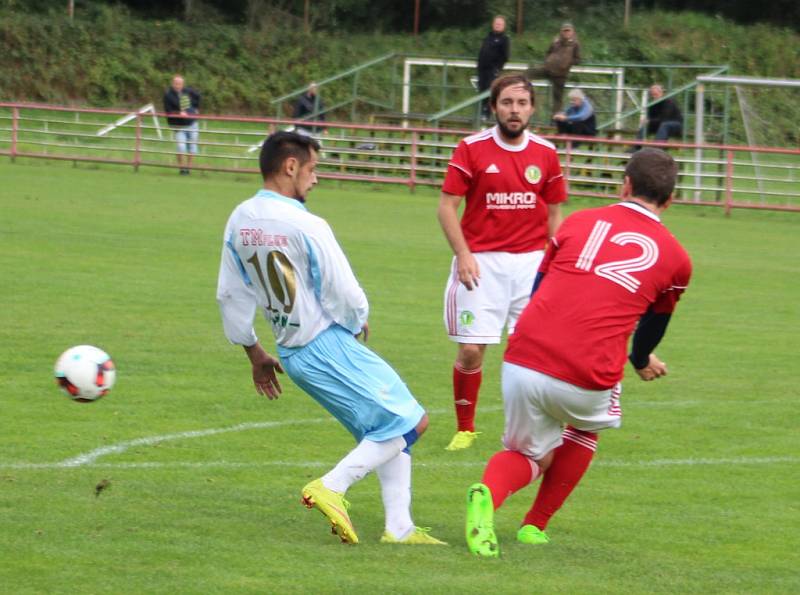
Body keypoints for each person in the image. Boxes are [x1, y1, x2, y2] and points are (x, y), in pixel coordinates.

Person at [216, 131, 445, 547]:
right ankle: (331, 486)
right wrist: (359, 320)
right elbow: (340, 288)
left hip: (291, 351)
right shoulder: (306, 223)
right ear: (291, 167)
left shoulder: (239, 219)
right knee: (412, 421)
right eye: (313, 168)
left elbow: (230, 293)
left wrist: (254, 352)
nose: (315, 178)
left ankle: (400, 528)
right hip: (326, 343)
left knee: (383, 426)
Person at [463, 148, 693, 557]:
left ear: (624, 185)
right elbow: (655, 326)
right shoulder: (676, 258)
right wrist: (640, 360)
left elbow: (540, 288)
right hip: (586, 371)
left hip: (523, 356)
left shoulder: (578, 220)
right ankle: (534, 525)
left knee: (524, 453)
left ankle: (489, 495)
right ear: (671, 199)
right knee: (585, 429)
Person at [437, 74, 566, 452]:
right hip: (481, 264)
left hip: (530, 267)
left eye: (522, 103)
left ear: (532, 108)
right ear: (493, 106)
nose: (514, 110)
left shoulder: (545, 152)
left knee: (534, 352)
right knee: (472, 350)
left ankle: (526, 431)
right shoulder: (472, 148)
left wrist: (552, 259)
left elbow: (555, 213)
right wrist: (463, 254)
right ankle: (465, 427)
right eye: (507, 103)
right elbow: (447, 207)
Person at [526, 23, 581, 114]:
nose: (566, 33)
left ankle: (554, 121)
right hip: (547, 69)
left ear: (572, 32)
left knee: (557, 98)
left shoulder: (575, 44)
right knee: (528, 73)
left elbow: (578, 59)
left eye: (568, 31)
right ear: (561, 31)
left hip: (561, 74)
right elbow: (548, 52)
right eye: (565, 30)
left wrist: (567, 63)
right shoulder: (556, 41)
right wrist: (548, 60)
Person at [163, 74, 201, 175]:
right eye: (176, 83)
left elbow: (198, 96)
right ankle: (181, 168)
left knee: (192, 147)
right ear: (172, 83)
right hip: (178, 126)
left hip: (192, 123)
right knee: (181, 147)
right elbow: (168, 111)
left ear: (183, 84)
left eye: (179, 83)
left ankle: (188, 168)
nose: (177, 85)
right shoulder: (168, 95)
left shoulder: (188, 91)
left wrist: (196, 109)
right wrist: (178, 113)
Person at [476, 15, 511, 119]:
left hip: (493, 70)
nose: (497, 26)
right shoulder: (488, 37)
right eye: (496, 23)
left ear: (503, 26)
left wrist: (497, 68)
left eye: (500, 24)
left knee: (490, 90)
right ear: (493, 24)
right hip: (482, 70)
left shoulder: (505, 39)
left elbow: (505, 56)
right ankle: (482, 111)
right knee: (482, 89)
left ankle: (488, 113)